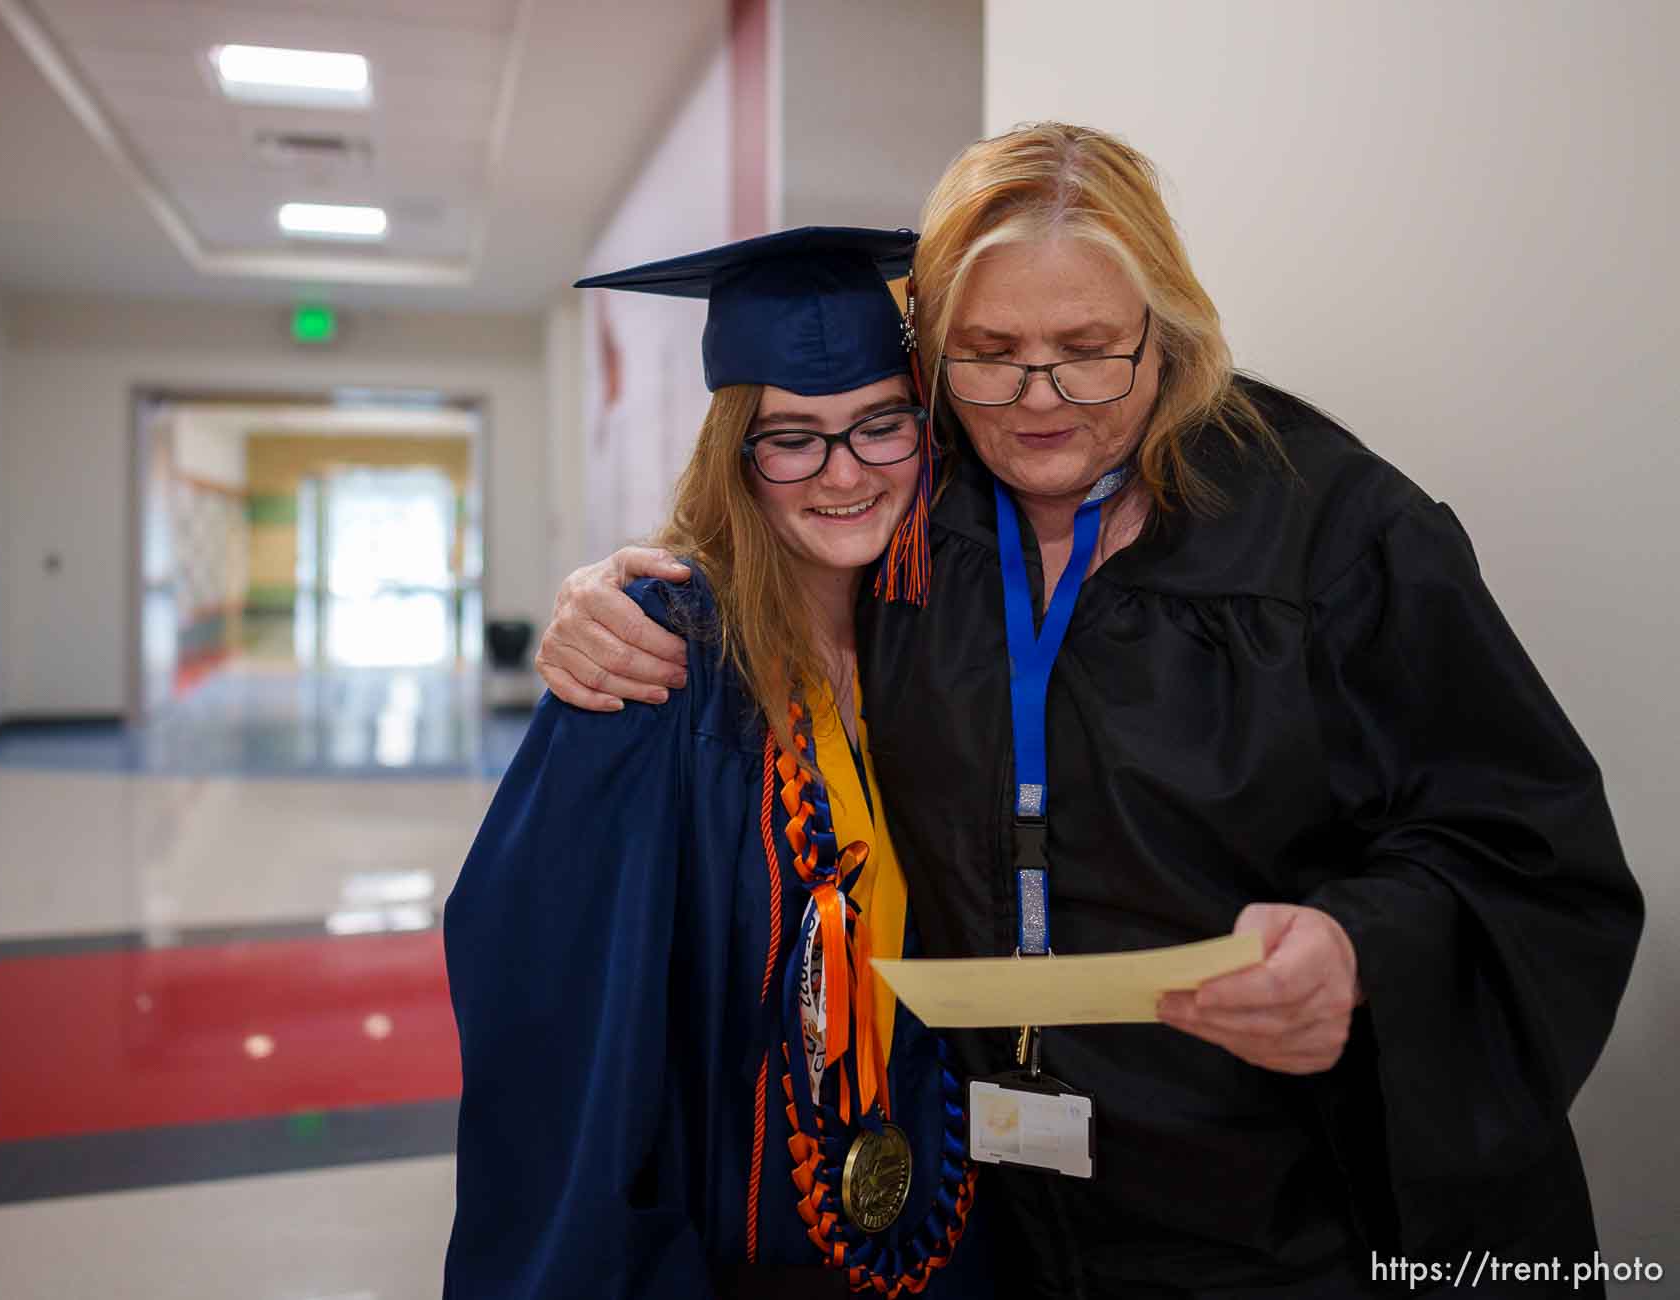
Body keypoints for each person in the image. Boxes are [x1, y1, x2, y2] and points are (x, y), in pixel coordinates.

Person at [533, 124, 1643, 1297]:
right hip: (1001, 1216)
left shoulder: (1331, 532)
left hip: (1291, 1218)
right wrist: (606, 592)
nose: (1039, 399)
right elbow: (775, 533)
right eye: (990, 352)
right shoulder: (923, 503)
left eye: (1089, 350)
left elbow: (1526, 842)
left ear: (1167, 329)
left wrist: (1363, 950)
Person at [443, 228, 992, 1299]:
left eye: (881, 425)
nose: (844, 472)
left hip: (935, 1220)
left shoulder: (934, 627)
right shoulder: (662, 652)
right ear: (738, 454)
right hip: (733, 1252)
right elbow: (551, 992)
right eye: (793, 438)